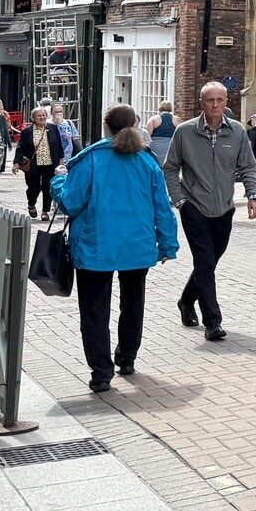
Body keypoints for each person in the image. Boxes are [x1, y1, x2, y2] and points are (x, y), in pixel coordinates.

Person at [53, 105, 179, 392]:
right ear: (135, 124)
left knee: (94, 310)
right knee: (133, 303)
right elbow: (163, 206)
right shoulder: (146, 160)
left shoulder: (91, 159)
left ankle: (101, 371)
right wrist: (168, 244)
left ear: (105, 126)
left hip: (96, 245)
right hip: (137, 244)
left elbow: (70, 202)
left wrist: (58, 179)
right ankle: (127, 358)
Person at [161, 82, 256, 342]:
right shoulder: (184, 132)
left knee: (210, 262)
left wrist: (252, 195)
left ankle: (185, 301)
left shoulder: (237, 131)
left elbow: (249, 166)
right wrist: (180, 201)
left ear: (226, 102)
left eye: (220, 100)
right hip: (194, 207)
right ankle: (212, 322)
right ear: (201, 103)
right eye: (210, 100)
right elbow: (170, 168)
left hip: (225, 208)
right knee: (204, 262)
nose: (215, 105)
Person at [14, 106, 66, 219]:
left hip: (50, 163)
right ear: (34, 118)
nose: (42, 117)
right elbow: (20, 147)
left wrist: (61, 161)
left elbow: (59, 146)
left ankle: (45, 211)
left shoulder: (53, 128)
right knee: (34, 187)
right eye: (39, 116)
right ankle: (31, 204)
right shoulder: (27, 132)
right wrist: (16, 163)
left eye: (44, 115)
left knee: (48, 188)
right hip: (33, 164)